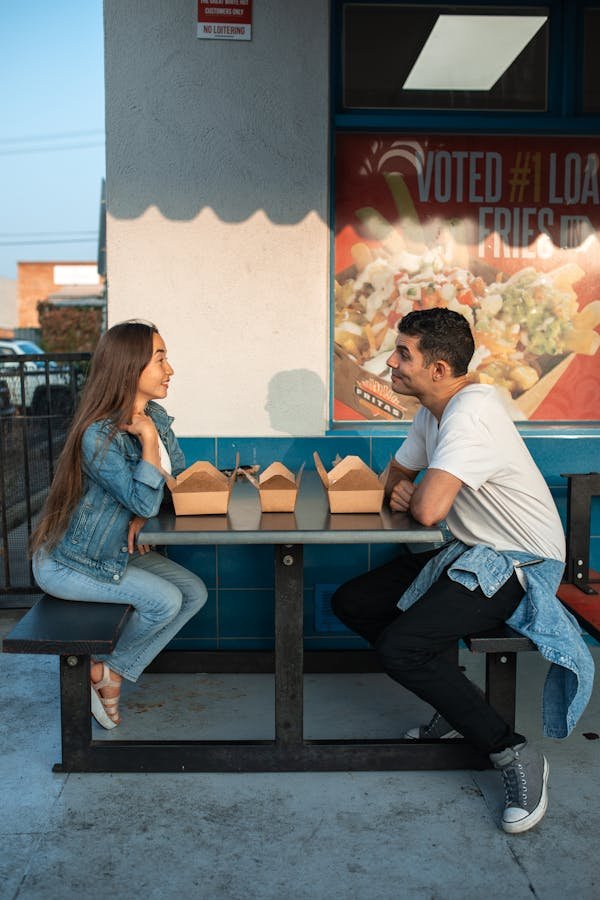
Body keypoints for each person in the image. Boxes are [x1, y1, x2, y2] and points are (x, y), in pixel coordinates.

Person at [332, 308, 593, 835]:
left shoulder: (471, 412)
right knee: (353, 602)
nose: (390, 362)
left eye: (404, 354)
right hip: (474, 552)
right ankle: (454, 701)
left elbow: (425, 509)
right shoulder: (432, 409)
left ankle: (513, 754)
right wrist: (408, 491)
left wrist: (414, 493)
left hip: (522, 562)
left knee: (402, 647)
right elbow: (397, 478)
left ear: (440, 368)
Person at [31, 320, 208, 731]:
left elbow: (174, 477)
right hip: (70, 563)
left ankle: (109, 670)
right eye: (160, 358)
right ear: (130, 367)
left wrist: (141, 512)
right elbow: (150, 490)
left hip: (113, 551)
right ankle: (107, 675)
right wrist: (147, 443)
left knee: (194, 593)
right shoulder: (99, 435)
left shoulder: (156, 414)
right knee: (164, 601)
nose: (170, 369)